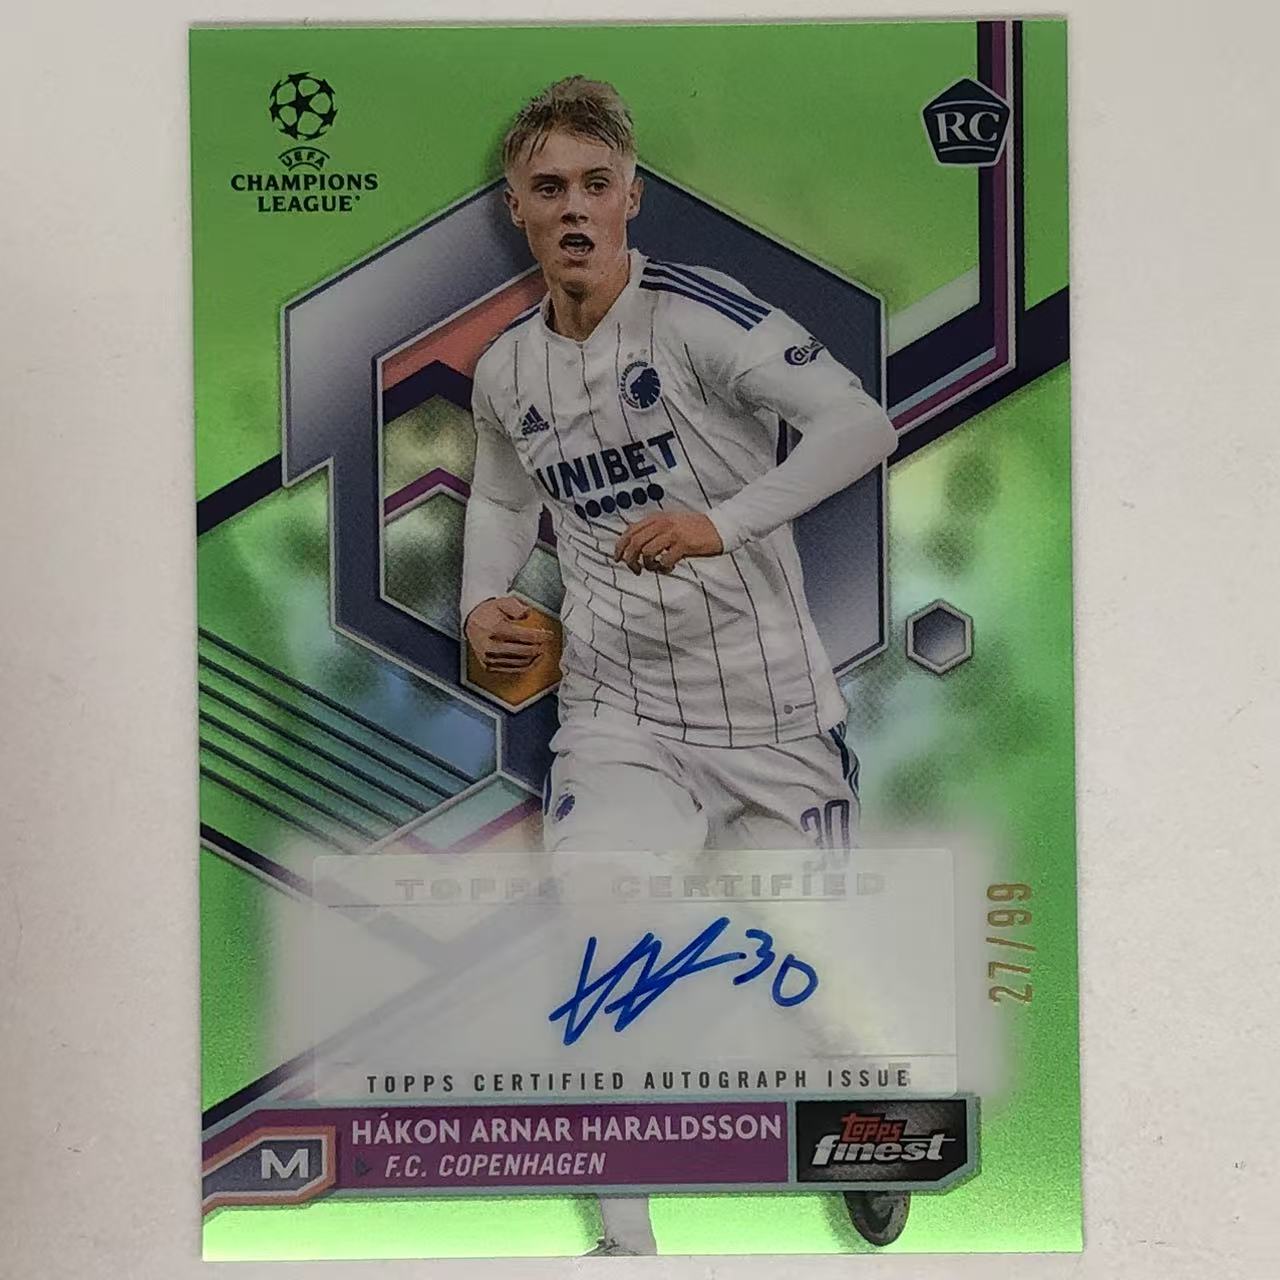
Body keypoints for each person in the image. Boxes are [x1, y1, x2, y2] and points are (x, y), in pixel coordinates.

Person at [459, 75, 905, 1254]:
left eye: (593, 184)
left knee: (807, 967)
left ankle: (861, 1097)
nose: (572, 206)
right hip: (618, 717)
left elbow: (860, 422)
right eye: (548, 187)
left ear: (630, 197)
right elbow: (501, 497)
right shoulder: (506, 370)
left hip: (770, 716)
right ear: (516, 207)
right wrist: (479, 602)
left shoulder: (697, 320)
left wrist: (723, 521)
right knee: (601, 935)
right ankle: (626, 1239)